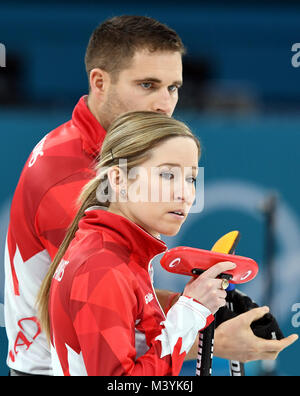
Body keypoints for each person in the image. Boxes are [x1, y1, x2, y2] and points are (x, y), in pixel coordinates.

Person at [4, 15, 297, 376]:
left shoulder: (124, 159)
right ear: (100, 82)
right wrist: (210, 336)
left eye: (173, 88)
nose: (164, 104)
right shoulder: (67, 176)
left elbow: (126, 291)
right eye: (148, 85)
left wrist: (204, 306)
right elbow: (104, 301)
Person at [37, 110, 237, 376]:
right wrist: (191, 310)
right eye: (167, 175)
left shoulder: (116, 251)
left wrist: (197, 304)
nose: (185, 194)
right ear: (118, 179)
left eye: (191, 178)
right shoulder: (102, 266)